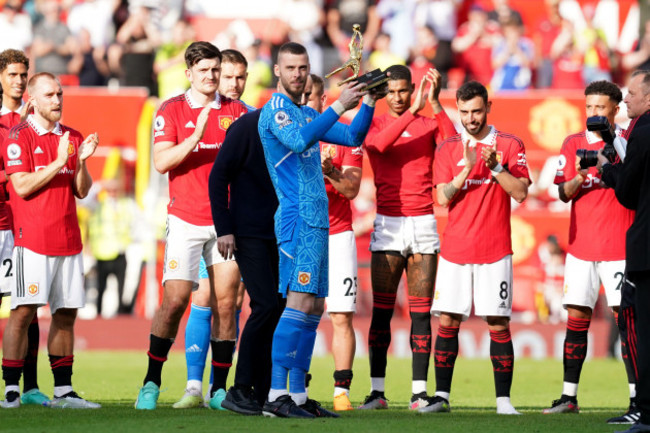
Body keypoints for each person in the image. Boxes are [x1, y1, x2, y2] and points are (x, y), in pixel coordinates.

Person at [258, 41, 379, 418]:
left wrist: (369, 102)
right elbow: (299, 140)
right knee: (296, 304)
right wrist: (340, 104)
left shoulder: (301, 112)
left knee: (312, 309)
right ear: (278, 71)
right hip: (296, 219)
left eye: (303, 67)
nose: (297, 74)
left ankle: (297, 395)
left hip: (319, 222)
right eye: (290, 68)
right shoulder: (276, 111)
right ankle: (276, 394)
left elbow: (353, 138)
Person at [134, 41, 248, 411]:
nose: (212, 77)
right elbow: (161, 162)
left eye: (216, 70)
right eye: (204, 71)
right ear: (188, 73)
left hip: (226, 223)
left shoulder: (238, 111)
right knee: (175, 301)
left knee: (226, 304)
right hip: (185, 218)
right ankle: (151, 381)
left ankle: (218, 389)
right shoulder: (171, 110)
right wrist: (196, 137)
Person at [421, 80, 530, 415]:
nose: (471, 118)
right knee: (448, 321)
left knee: (497, 322)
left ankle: (503, 402)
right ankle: (441, 397)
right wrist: (465, 170)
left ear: (488, 108)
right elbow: (440, 197)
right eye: (465, 112)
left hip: (495, 250)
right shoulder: (448, 148)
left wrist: (496, 167)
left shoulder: (510, 145)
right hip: (455, 250)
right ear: (458, 110)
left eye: (477, 111)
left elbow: (522, 193)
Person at [359, 65, 456, 411]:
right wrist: (414, 111)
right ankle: (377, 392)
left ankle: (418, 393)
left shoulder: (428, 123)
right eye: (393, 91)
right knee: (382, 313)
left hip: (423, 222)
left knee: (420, 314)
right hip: (388, 223)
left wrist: (436, 104)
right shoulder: (374, 123)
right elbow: (378, 146)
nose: (398, 98)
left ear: (413, 88)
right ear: (384, 92)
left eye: (404, 91)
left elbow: (452, 147)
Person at [1, 72, 100, 409]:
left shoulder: (73, 137)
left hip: (69, 239)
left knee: (65, 314)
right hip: (32, 241)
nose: (57, 100)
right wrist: (59, 161)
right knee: (23, 312)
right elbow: (23, 186)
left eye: (59, 94)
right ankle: (12, 389)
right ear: (33, 101)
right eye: (49, 95)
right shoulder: (19, 136)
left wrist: (81, 162)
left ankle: (63, 391)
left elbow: (82, 190)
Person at [543, 81, 637, 421]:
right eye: (588, 108)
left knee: (626, 323)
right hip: (581, 247)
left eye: (600, 107)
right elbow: (563, 193)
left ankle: (636, 400)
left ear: (615, 108)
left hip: (619, 246)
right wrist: (581, 174)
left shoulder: (627, 139)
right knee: (576, 319)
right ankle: (568, 397)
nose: (593, 114)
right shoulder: (572, 144)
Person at [173, 48, 254, 410]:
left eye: (240, 77)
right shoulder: (199, 112)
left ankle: (217, 387)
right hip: (200, 219)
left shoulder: (247, 116)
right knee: (202, 297)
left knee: (232, 302)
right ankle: (194, 385)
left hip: (237, 223)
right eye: (228, 76)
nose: (234, 84)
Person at [208, 83, 282, 417]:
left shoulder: (293, 130)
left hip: (281, 233)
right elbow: (217, 176)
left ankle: (264, 392)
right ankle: (238, 390)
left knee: (278, 307)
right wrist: (224, 229)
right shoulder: (246, 127)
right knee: (265, 304)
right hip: (249, 232)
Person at [305, 73, 363, 411]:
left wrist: (331, 172)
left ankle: (341, 391)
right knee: (300, 312)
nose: (307, 100)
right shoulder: (290, 133)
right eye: (303, 95)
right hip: (302, 235)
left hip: (338, 234)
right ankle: (298, 384)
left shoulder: (346, 136)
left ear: (323, 97)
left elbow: (352, 189)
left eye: (312, 95)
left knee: (340, 316)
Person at [599, 70, 650, 432]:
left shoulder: (642, 133)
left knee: (644, 332)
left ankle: (645, 413)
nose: (626, 99)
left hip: (646, 249)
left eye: (631, 93)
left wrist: (608, 170)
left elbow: (628, 193)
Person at [0, 49, 49, 406]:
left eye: (23, 74)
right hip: (0, 223)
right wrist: (16, 177)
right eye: (12, 74)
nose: (18, 81)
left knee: (27, 304)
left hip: (25, 226)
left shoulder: (39, 120)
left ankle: (26, 386)